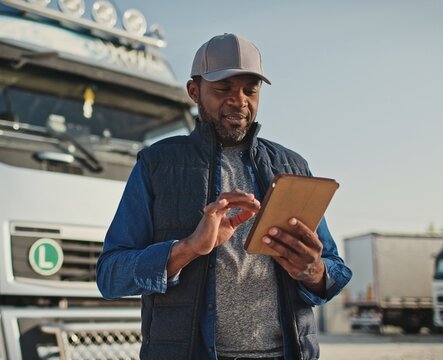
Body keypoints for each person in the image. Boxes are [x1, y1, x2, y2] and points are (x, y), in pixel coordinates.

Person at [96, 33, 352, 360]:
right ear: (194, 91)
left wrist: (313, 271)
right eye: (223, 89)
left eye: (250, 89)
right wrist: (187, 249)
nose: (239, 100)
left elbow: (335, 270)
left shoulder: (293, 167)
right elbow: (110, 276)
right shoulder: (156, 164)